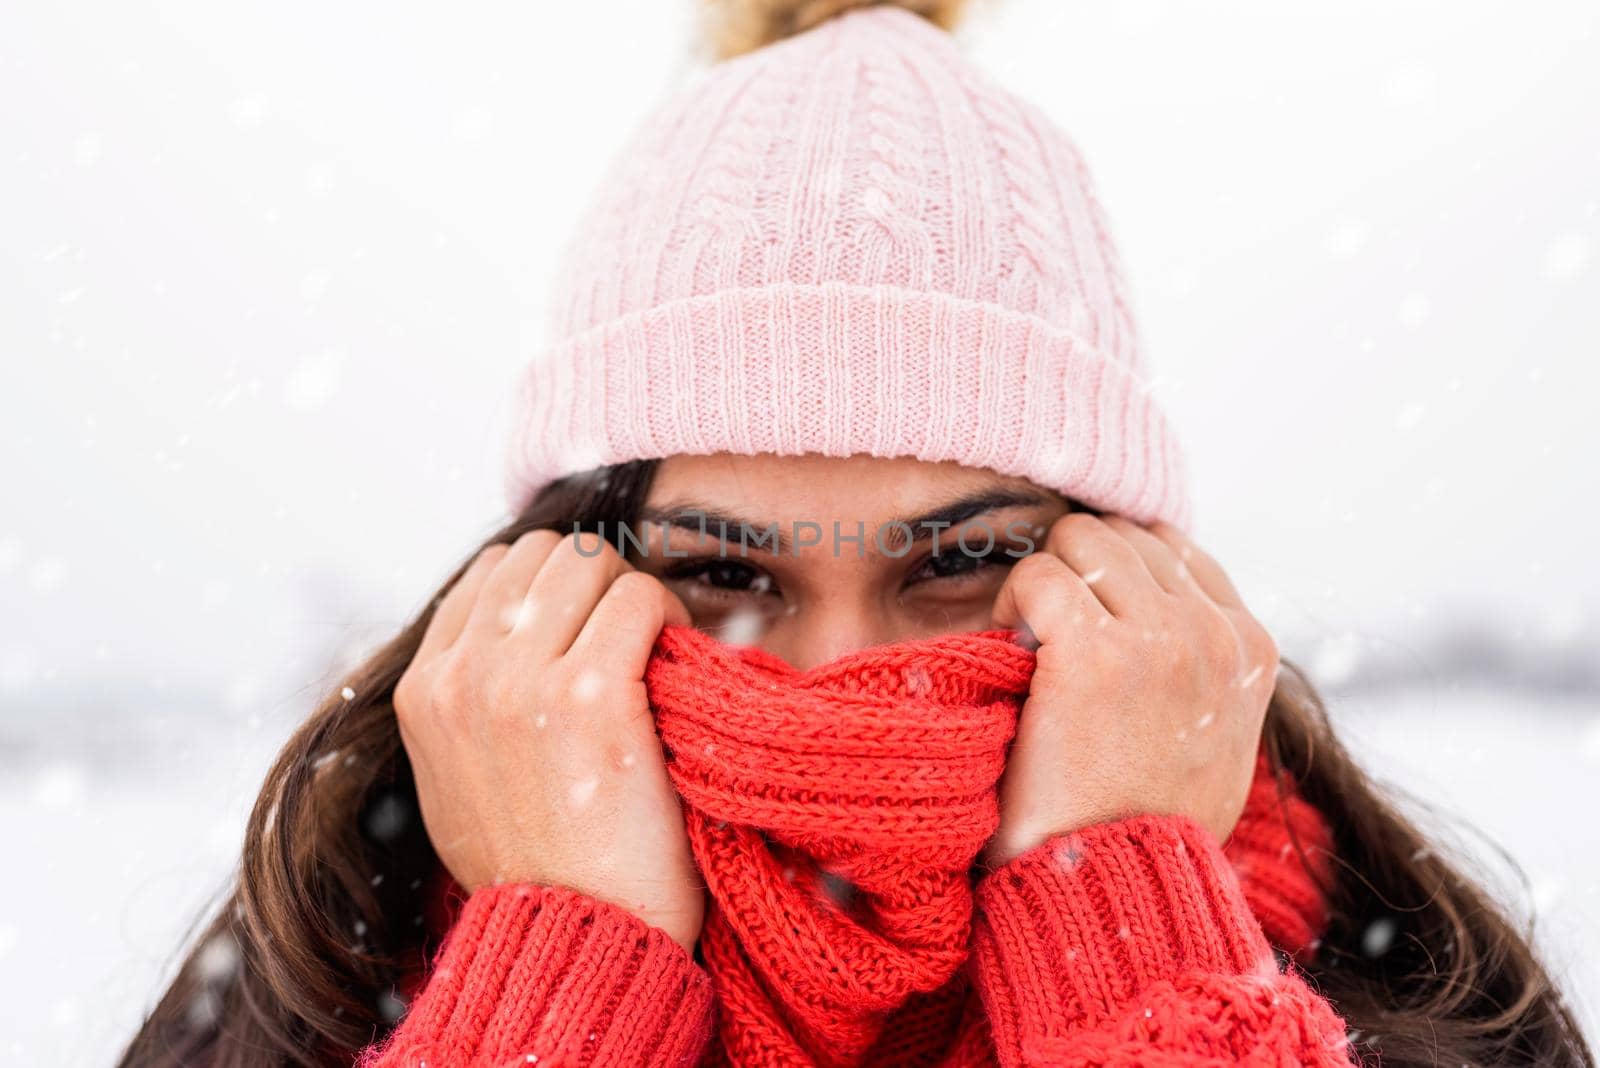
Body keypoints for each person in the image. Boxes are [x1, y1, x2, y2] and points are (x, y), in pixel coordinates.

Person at [116, 2, 1593, 1065]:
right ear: (565, 582)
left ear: (1131, 580)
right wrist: (554, 974)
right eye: (725, 572)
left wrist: (1133, 940)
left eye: (956, 562)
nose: (838, 679)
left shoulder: (1422, 1006)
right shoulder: (324, 976)